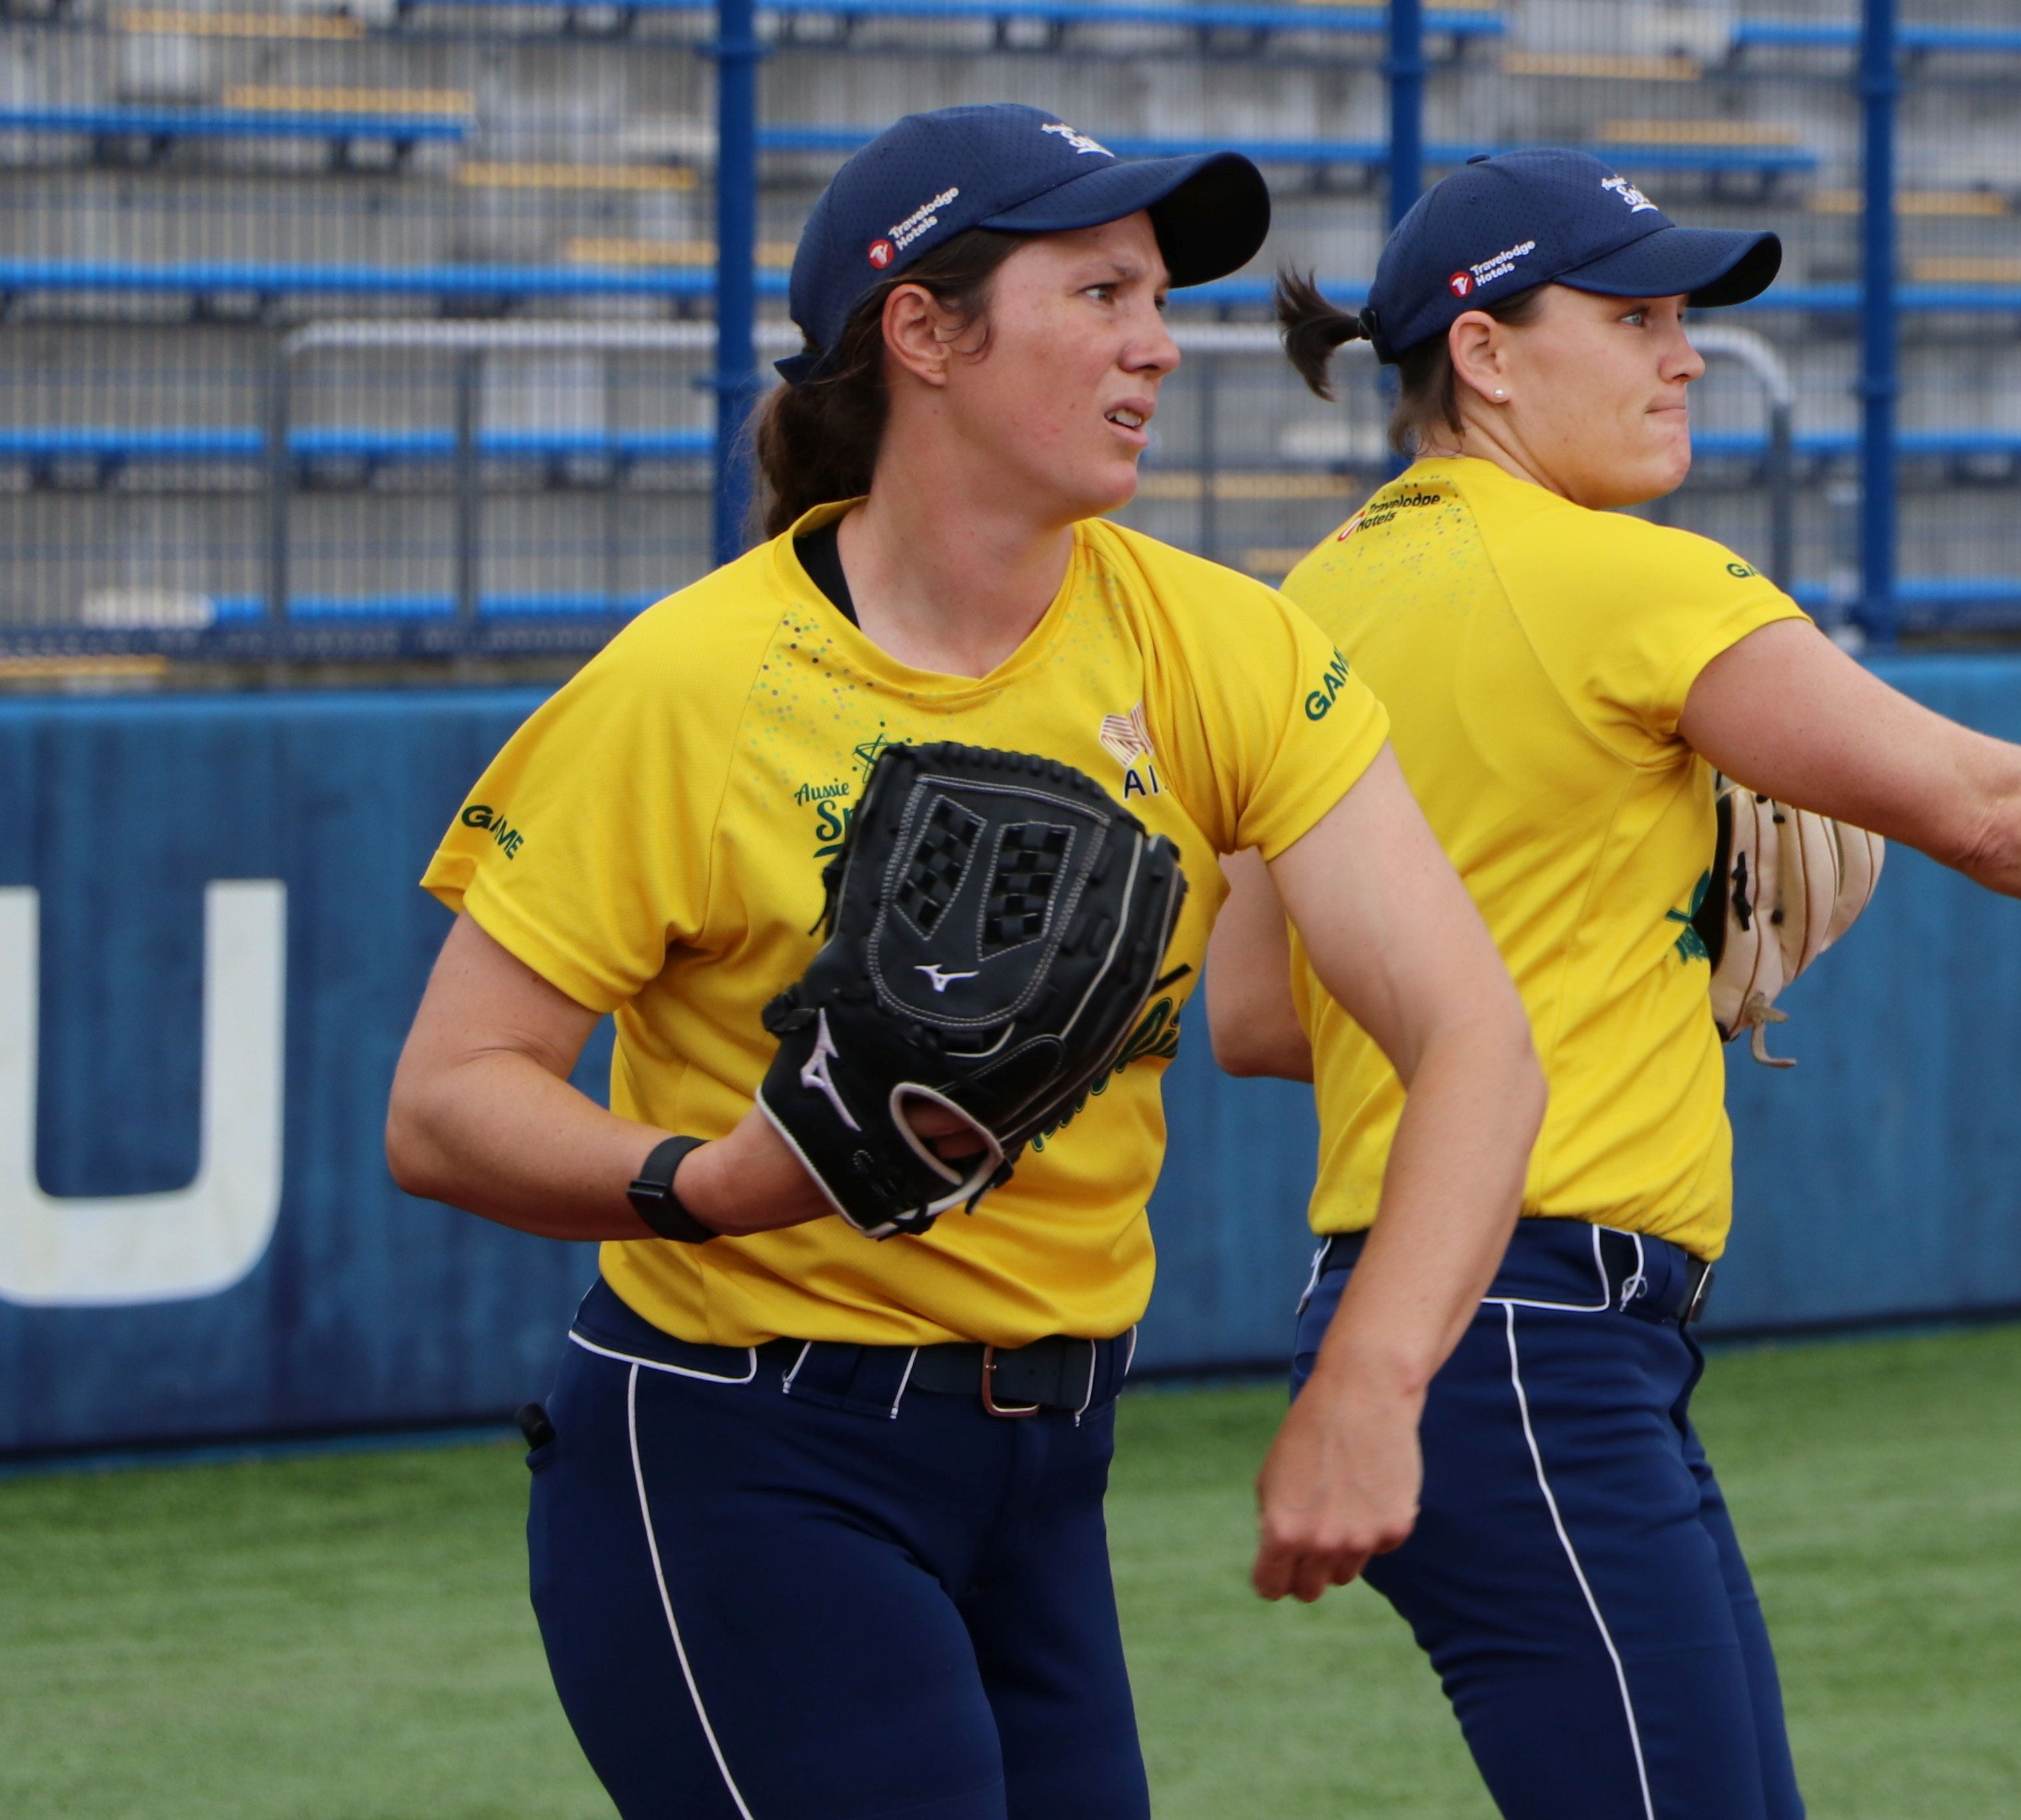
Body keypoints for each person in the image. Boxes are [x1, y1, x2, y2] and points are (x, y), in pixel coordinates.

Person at [1203, 145, 2021, 1820]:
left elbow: (1261, 1021)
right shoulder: (1623, 582)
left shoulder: (1301, 606)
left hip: (1456, 1322)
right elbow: (1983, 807)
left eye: (1681, 316)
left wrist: (1606, 932)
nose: (1683, 352)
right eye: (1631, 315)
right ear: (1482, 351)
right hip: (1531, 1323)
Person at [386, 106, 1546, 1820]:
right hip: (739, 1453)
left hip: (1045, 1473)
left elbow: (1472, 1039)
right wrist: (704, 1183)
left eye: (1157, 294)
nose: (1157, 339)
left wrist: (1374, 1383)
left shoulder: (1226, 642)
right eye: (1098, 290)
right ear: (923, 333)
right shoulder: (688, 686)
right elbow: (443, 1104)